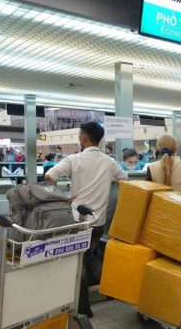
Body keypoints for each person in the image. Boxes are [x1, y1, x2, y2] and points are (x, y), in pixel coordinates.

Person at [45, 122, 128, 317]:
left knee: (78, 262)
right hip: (98, 223)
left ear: (84, 138)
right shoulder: (109, 162)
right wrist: (106, 184)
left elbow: (50, 176)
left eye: (79, 135)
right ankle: (111, 288)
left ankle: (83, 308)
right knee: (89, 255)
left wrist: (62, 195)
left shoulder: (74, 159)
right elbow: (125, 180)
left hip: (77, 221)